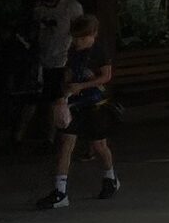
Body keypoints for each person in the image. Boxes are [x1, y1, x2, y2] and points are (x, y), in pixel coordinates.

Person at [35, 15, 119, 208]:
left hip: (94, 104)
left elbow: (106, 76)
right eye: (75, 38)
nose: (77, 42)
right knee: (66, 144)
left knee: (99, 146)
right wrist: (64, 93)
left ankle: (110, 177)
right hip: (75, 103)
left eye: (82, 38)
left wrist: (82, 85)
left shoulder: (99, 51)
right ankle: (60, 191)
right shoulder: (73, 52)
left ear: (93, 35)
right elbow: (69, 75)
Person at [29, 0, 83, 138]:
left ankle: (56, 136)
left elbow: (80, 31)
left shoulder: (71, 6)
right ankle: (46, 135)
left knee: (59, 100)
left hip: (63, 59)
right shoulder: (38, 7)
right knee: (39, 99)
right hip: (42, 59)